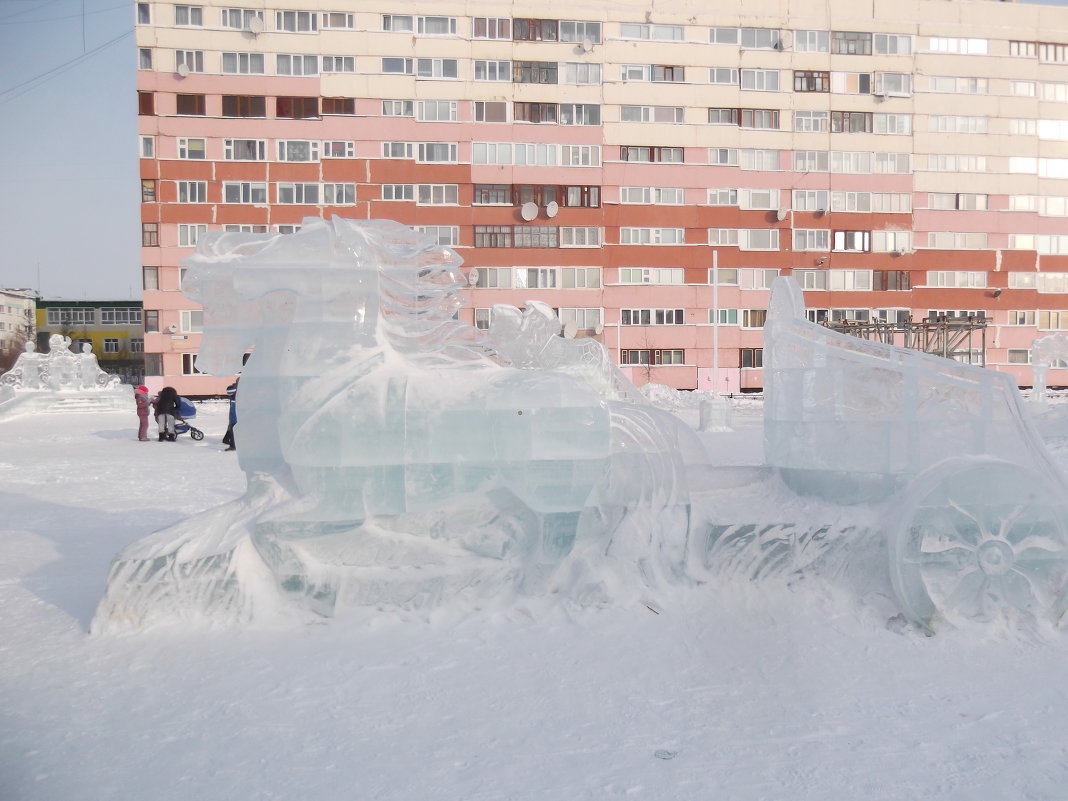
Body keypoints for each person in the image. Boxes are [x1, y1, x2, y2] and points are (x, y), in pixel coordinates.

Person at [221, 380, 238, 451]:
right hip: (233, 418)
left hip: (235, 418)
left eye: (229, 393)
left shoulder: (236, 397)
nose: (228, 395)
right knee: (231, 431)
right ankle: (229, 442)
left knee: (233, 432)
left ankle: (233, 446)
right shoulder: (233, 397)